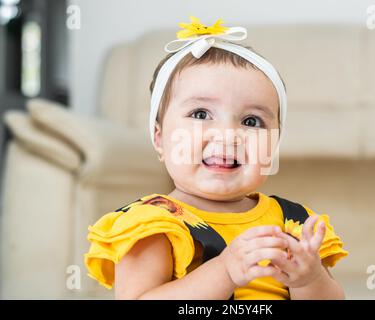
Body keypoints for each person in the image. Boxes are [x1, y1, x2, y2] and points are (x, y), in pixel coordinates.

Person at [84, 16, 349, 300]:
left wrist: (309, 280)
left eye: (251, 120)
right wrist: (224, 272)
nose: (228, 135)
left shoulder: (293, 222)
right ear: (160, 139)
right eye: (200, 114)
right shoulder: (154, 225)